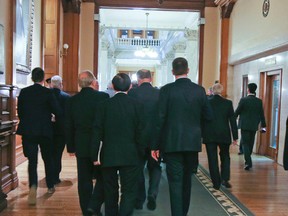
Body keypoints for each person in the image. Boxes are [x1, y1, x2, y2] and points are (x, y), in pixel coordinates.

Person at [151, 57, 213, 216]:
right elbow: (208, 116)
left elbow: (160, 119)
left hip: (171, 143)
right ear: (188, 70)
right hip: (192, 143)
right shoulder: (199, 90)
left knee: (175, 182)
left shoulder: (166, 90)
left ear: (173, 72)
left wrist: (155, 145)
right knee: (187, 181)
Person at [91, 73, 146, 216]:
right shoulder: (137, 106)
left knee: (110, 190)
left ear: (113, 87)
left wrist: (94, 155)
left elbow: (97, 132)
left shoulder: (103, 105)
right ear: (130, 87)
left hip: (108, 153)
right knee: (129, 191)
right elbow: (141, 132)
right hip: (131, 154)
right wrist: (141, 153)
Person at [66, 71, 109, 216]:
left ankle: (86, 211)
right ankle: (95, 206)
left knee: (84, 180)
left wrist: (71, 147)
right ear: (93, 82)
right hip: (100, 146)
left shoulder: (72, 100)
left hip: (82, 144)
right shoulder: (103, 97)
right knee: (103, 177)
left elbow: (69, 125)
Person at [16, 67, 61, 205]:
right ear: (43, 79)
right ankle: (50, 185)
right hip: (44, 130)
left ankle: (33, 186)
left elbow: (21, 112)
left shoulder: (24, 92)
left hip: (29, 130)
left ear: (32, 78)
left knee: (32, 161)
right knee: (48, 158)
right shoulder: (48, 93)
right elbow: (57, 110)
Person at [128, 69, 161, 211]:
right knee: (155, 167)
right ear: (151, 78)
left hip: (137, 139)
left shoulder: (133, 93)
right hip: (155, 139)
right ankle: (152, 192)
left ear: (139, 79)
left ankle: (139, 200)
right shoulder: (159, 94)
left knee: (138, 168)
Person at [203, 83, 238, 189]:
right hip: (224, 134)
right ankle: (225, 179)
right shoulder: (228, 103)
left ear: (212, 91)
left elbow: (203, 119)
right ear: (221, 91)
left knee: (212, 158)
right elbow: (232, 121)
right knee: (225, 156)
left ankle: (216, 182)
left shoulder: (207, 102)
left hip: (210, 134)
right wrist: (235, 137)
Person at [235, 83, 266, 171]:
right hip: (254, 125)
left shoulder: (243, 100)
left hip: (244, 125)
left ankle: (248, 162)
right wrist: (264, 127)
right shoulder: (259, 101)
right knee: (251, 143)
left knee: (245, 143)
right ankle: (248, 160)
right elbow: (262, 115)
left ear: (248, 89)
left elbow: (237, 112)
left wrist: (232, 120)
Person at [50, 75, 70, 184]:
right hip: (61, 131)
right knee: (58, 154)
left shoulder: (45, 95)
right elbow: (68, 116)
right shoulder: (66, 97)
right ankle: (55, 176)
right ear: (61, 84)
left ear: (51, 84)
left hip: (47, 130)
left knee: (49, 154)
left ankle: (49, 174)